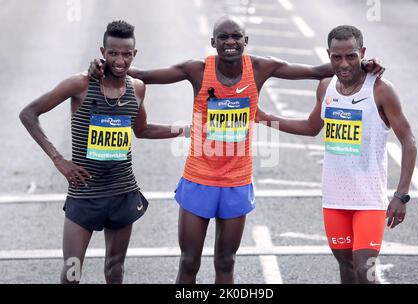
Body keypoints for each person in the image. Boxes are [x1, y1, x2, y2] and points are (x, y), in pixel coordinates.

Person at [89, 16, 384, 284]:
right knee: (189, 262)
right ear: (213, 42)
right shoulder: (198, 70)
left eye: (236, 37)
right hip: (198, 179)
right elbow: (144, 74)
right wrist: (104, 67)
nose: (230, 42)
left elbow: (319, 70)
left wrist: (365, 65)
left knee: (226, 262)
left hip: (236, 182)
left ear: (245, 41)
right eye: (224, 37)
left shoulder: (259, 67)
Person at [20, 20, 187, 284]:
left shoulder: (137, 88)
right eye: (113, 53)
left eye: (126, 54)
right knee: (72, 272)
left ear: (135, 54)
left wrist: (186, 130)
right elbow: (29, 114)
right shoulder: (80, 84)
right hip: (85, 191)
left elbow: (141, 130)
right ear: (102, 51)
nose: (120, 60)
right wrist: (59, 160)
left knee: (115, 270)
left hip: (122, 190)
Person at [256, 25, 416, 283]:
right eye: (336, 57)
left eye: (351, 56)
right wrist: (265, 118)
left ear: (362, 53)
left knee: (366, 271)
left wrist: (401, 195)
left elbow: (409, 141)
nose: (344, 64)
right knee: (346, 267)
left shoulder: (380, 90)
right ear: (328, 55)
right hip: (334, 199)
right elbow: (311, 127)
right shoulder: (325, 87)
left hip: (369, 201)